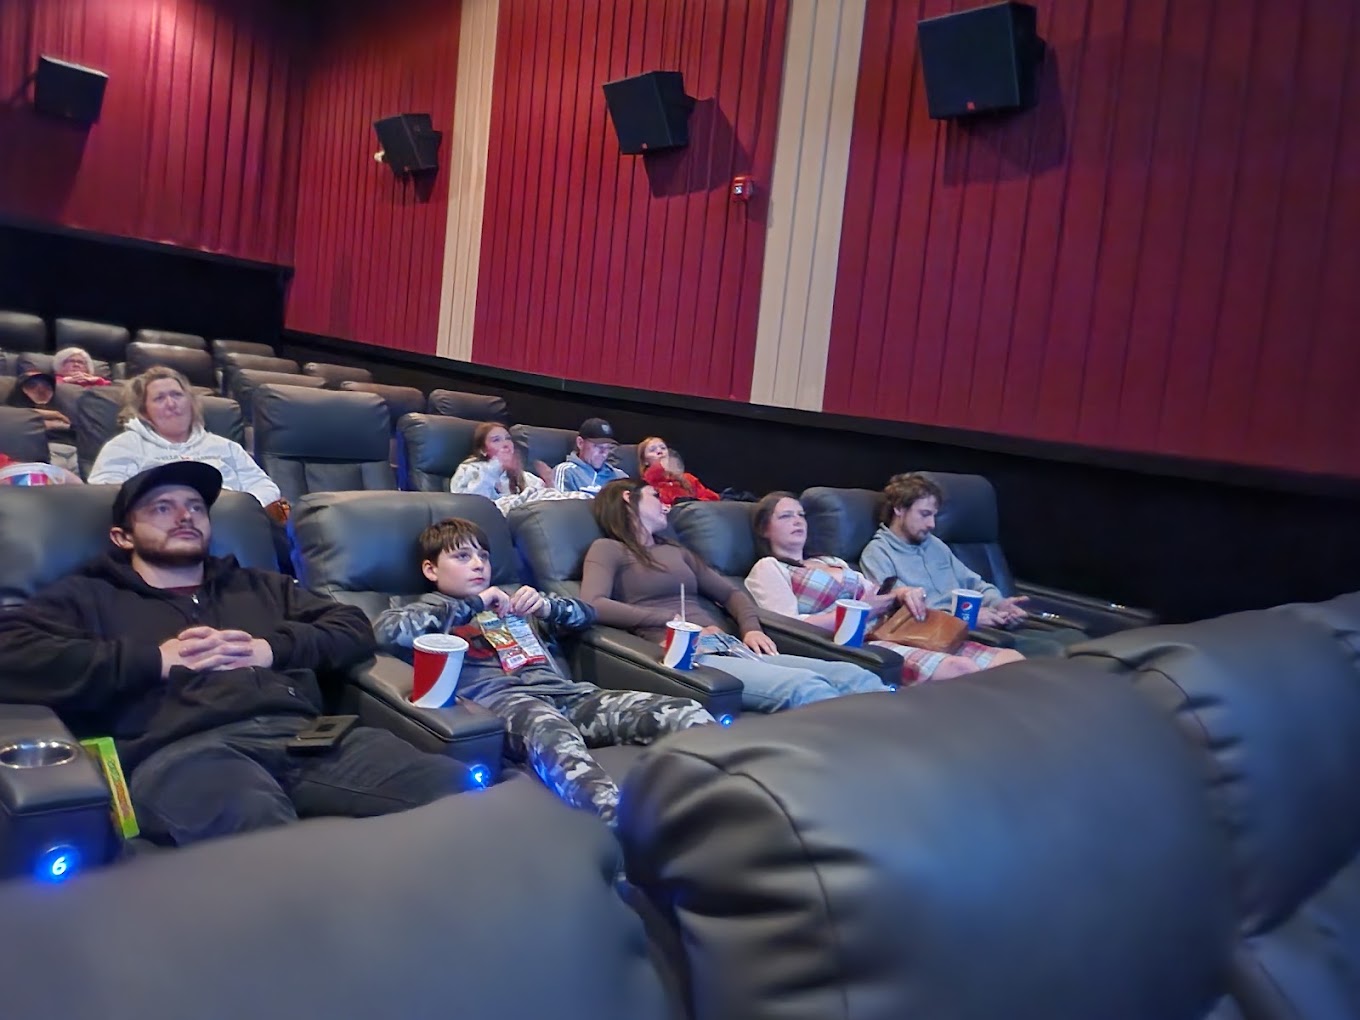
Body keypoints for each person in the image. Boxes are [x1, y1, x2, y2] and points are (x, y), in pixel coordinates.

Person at [0, 462, 472, 847]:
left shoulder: (258, 585)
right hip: (183, 755)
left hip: (306, 737)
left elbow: (352, 627)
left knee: (458, 790)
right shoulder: (88, 595)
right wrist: (156, 661)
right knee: (261, 832)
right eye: (162, 508)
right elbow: (11, 651)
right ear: (123, 536)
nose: (185, 516)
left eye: (195, 508)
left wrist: (271, 649)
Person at [375, 518, 712, 826]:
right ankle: (627, 830)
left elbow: (586, 614)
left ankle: (720, 800)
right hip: (505, 706)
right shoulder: (426, 610)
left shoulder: (515, 600)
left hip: (568, 696)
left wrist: (548, 607)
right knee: (554, 732)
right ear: (431, 569)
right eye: (462, 557)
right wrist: (474, 604)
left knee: (684, 711)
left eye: (484, 556)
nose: (478, 564)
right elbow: (387, 633)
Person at [580, 478, 891, 713]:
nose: (666, 505)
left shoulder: (675, 551)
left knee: (853, 675)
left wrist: (751, 628)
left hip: (730, 646)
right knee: (806, 687)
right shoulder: (608, 549)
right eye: (655, 496)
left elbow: (732, 593)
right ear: (628, 497)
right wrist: (669, 619)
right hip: (689, 653)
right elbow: (593, 604)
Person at [745, 493, 1023, 685]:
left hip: (896, 628)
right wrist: (859, 611)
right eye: (786, 516)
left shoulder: (831, 561)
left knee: (1011, 661)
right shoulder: (770, 567)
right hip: (859, 643)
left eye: (801, 515)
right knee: (962, 670)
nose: (798, 521)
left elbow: (876, 593)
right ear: (764, 529)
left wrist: (902, 593)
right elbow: (788, 624)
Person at [857, 473, 1080, 657]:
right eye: (924, 514)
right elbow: (901, 612)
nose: (932, 524)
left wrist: (1000, 604)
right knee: (1052, 651)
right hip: (942, 636)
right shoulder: (878, 554)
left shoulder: (935, 545)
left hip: (981, 625)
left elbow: (975, 584)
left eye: (934, 516)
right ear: (899, 509)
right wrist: (966, 617)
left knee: (1073, 638)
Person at [88, 366, 289, 523]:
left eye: (177, 395)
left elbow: (264, 486)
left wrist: (237, 507)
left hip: (233, 524)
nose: (171, 403)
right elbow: (104, 494)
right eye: (159, 398)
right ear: (144, 412)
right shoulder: (124, 445)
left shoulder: (226, 447)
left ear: (191, 403)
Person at [450, 421, 588, 514]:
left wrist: (549, 482)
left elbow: (549, 498)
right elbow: (472, 505)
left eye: (508, 438)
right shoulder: (470, 469)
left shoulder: (521, 474)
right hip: (495, 519)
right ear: (483, 450)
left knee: (576, 499)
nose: (506, 444)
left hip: (528, 517)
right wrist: (496, 466)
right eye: (496, 440)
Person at [552, 417, 628, 495]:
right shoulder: (566, 472)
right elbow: (560, 501)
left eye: (608, 447)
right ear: (580, 443)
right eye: (598, 446)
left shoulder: (619, 476)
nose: (604, 453)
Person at [638, 436, 719, 508]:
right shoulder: (646, 485)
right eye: (652, 450)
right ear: (645, 461)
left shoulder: (688, 478)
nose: (660, 451)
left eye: (663, 448)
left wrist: (693, 503)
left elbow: (712, 498)